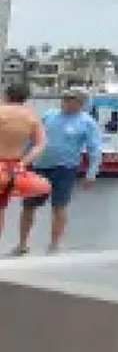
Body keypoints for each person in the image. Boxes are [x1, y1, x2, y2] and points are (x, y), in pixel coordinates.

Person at [14, 86, 103, 255]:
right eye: (65, 98)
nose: (65, 101)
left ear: (80, 103)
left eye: (70, 99)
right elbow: (33, 139)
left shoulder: (87, 122)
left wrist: (91, 173)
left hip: (65, 169)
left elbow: (95, 149)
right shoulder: (49, 115)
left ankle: (54, 245)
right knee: (28, 206)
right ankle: (22, 244)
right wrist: (22, 161)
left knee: (59, 207)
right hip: (39, 167)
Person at [0, 83, 50, 242]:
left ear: (6, 95)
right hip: (12, 168)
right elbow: (41, 144)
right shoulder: (31, 117)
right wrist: (23, 162)